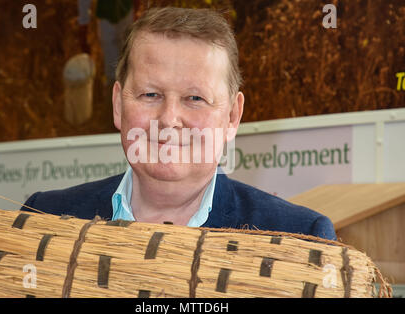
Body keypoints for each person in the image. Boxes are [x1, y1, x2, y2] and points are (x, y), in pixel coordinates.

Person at [22, 7, 336, 240]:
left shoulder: (298, 236)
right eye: (150, 94)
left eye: (195, 98)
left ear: (232, 117)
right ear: (118, 105)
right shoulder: (43, 218)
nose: (169, 119)